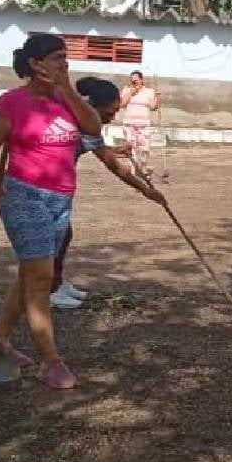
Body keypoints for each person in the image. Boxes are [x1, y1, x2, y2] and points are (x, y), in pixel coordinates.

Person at [0, 33, 103, 390]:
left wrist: (68, 90)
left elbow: (93, 127)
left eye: (66, 57)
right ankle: (51, 361)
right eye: (58, 57)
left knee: (31, 274)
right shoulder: (11, 104)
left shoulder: (67, 99)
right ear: (36, 64)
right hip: (22, 195)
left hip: (61, 198)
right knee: (41, 277)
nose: (65, 63)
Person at [49, 77, 168, 309]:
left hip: (60, 185)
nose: (112, 117)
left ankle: (57, 282)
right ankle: (48, 290)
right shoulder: (80, 122)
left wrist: (113, 149)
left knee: (64, 235)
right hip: (46, 184)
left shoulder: (86, 122)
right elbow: (113, 166)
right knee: (56, 238)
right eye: (110, 112)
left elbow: (97, 149)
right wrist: (145, 190)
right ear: (94, 106)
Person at [120, 70, 159, 176]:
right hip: (129, 123)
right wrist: (131, 93)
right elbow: (122, 104)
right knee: (131, 147)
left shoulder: (149, 91)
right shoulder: (126, 90)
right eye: (132, 81)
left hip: (144, 124)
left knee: (144, 148)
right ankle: (133, 169)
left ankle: (143, 167)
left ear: (141, 80)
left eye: (136, 81)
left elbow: (153, 107)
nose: (134, 83)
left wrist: (156, 98)